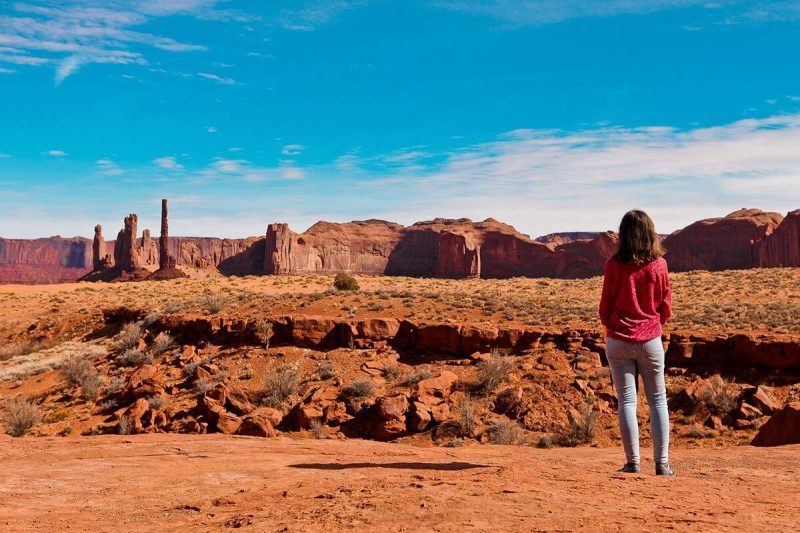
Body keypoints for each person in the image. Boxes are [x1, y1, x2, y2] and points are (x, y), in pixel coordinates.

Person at [599, 209, 675, 476]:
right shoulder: (659, 265)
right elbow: (665, 306)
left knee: (627, 401)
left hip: (618, 340)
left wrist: (613, 326)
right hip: (650, 340)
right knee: (657, 401)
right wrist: (653, 325)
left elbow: (604, 306)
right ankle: (662, 464)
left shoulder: (613, 265)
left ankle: (632, 463)